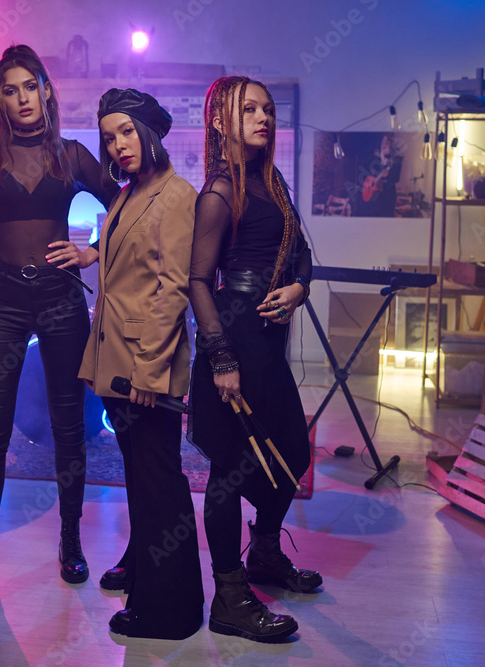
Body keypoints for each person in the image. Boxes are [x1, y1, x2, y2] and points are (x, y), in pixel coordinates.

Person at [0, 45, 117, 605]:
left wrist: (92, 251)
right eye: (10, 88)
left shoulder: (71, 155)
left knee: (69, 427)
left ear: (46, 90)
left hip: (59, 298)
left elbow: (122, 203)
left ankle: (71, 542)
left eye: (30, 86)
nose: (22, 98)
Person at [188, 75, 323, 642]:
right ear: (222, 120)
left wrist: (300, 289)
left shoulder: (273, 182)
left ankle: (265, 551)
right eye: (250, 109)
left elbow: (303, 255)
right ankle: (229, 594)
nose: (263, 117)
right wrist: (220, 356)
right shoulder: (220, 190)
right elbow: (196, 281)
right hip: (234, 340)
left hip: (268, 344)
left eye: (267, 109)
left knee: (292, 450)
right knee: (229, 466)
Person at [79, 88, 204, 640]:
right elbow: (126, 262)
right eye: (109, 137)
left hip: (145, 368)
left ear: (150, 131)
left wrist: (152, 372)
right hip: (115, 362)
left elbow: (172, 289)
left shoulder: (177, 197)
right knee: (143, 485)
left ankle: (172, 611)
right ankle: (151, 595)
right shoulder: (130, 194)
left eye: (126, 131)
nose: (118, 144)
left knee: (161, 485)